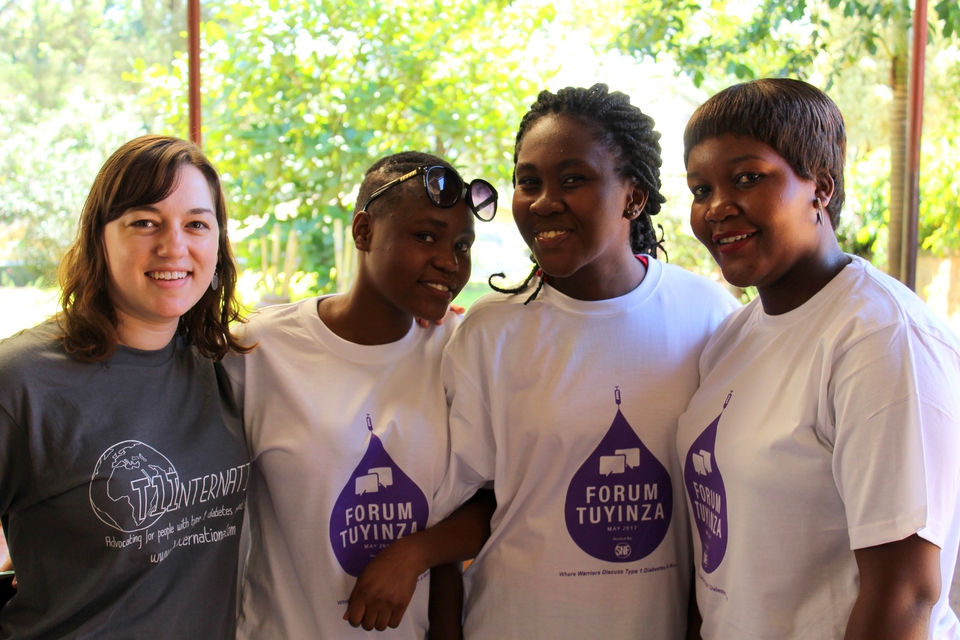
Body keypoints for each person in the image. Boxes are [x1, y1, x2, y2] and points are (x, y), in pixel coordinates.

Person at [347, 84, 740, 639]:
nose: (544, 201)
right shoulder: (489, 331)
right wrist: (419, 563)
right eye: (528, 182)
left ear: (633, 196)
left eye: (573, 179)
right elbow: (466, 502)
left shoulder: (708, 315)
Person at [678, 78, 960, 639]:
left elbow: (906, 595)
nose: (717, 207)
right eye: (700, 188)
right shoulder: (732, 338)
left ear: (821, 187)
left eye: (746, 178)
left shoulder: (879, 339)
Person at [223, 151, 498, 639]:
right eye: (426, 236)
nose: (448, 261)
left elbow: (491, 500)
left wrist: (416, 552)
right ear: (364, 231)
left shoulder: (457, 352)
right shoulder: (257, 350)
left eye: (462, 244)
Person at [0, 135, 251, 638]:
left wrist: (430, 327)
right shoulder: (23, 380)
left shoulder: (227, 362)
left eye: (196, 224)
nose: (173, 246)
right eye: (144, 222)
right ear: (100, 236)